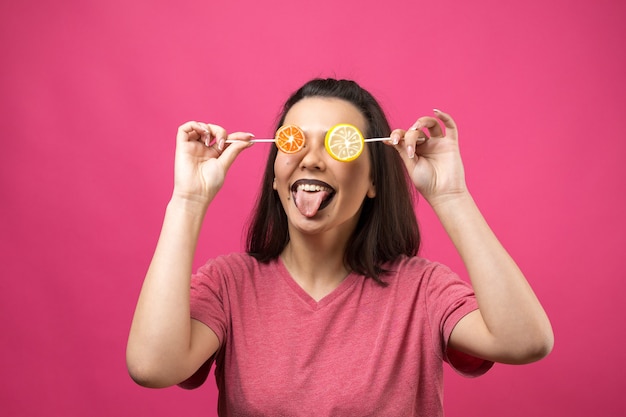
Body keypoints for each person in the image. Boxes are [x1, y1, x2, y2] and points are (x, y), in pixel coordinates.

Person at [126, 78, 554, 416]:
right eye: (293, 141)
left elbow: (525, 341)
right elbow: (152, 367)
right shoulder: (229, 284)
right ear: (275, 174)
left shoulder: (421, 290)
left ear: (372, 181)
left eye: (338, 143)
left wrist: (451, 196)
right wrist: (188, 200)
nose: (310, 159)